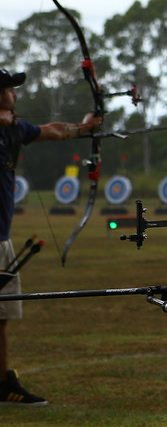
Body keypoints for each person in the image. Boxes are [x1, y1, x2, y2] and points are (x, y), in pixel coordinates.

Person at [0, 69, 102, 406]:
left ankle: (2, 382)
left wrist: (85, 127)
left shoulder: (14, 129)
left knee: (2, 316)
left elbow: (53, 130)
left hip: (2, 237)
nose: (16, 95)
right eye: (10, 91)